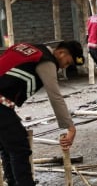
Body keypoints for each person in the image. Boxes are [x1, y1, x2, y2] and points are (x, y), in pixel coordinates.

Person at [0, 41, 83, 186]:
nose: (65, 67)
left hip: (3, 103)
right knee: (20, 148)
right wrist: (70, 127)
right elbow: (54, 95)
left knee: (9, 146)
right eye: (67, 62)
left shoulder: (30, 48)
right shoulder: (46, 60)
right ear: (61, 53)